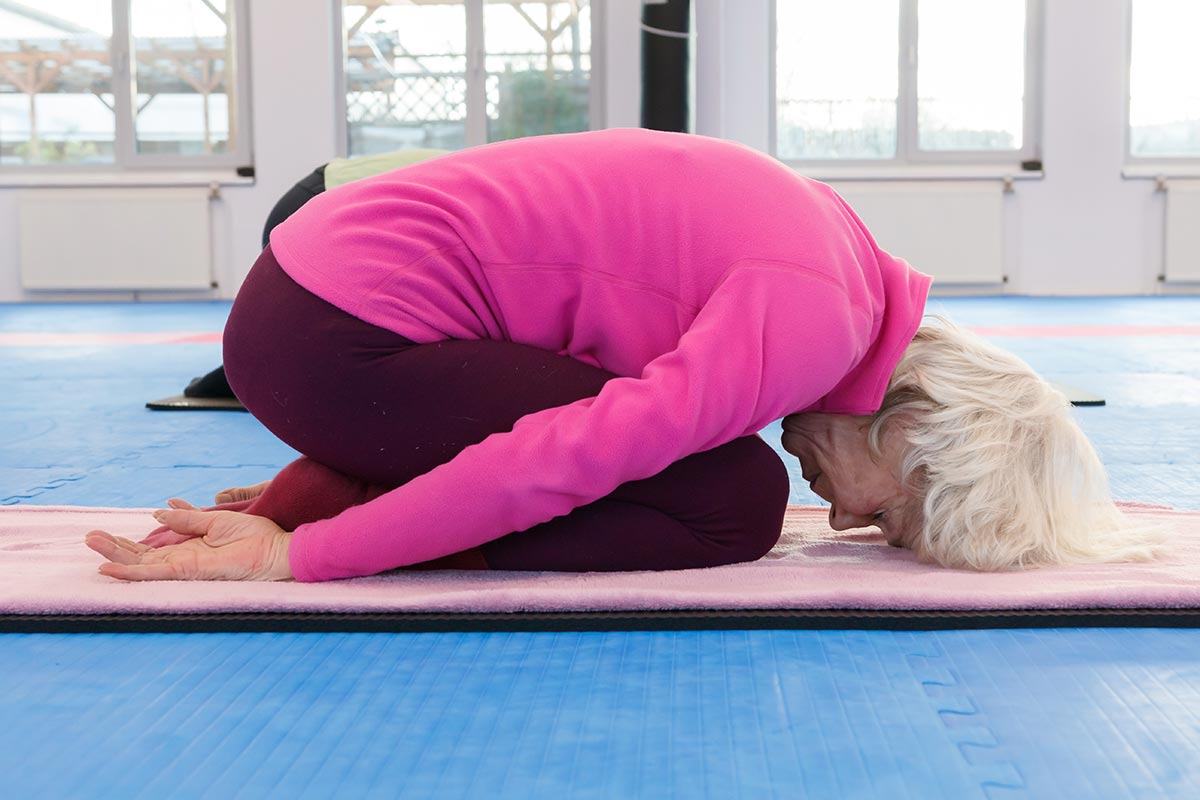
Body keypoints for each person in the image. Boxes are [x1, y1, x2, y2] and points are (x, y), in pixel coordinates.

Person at [85, 128, 1162, 582]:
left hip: (319, 312)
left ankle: (346, 478)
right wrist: (304, 559)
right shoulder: (812, 318)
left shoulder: (844, 263)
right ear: (919, 433)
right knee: (731, 499)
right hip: (333, 342)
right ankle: (333, 501)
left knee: (710, 461)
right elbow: (557, 455)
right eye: (886, 512)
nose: (838, 519)